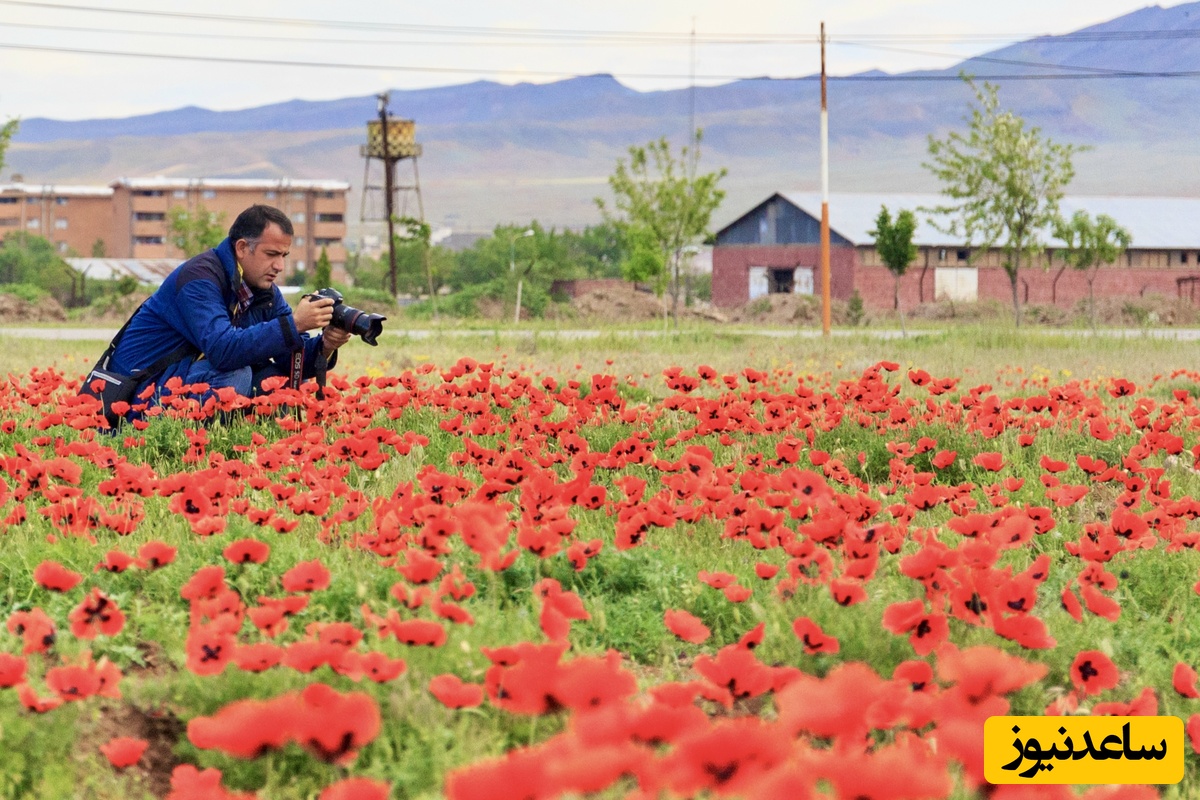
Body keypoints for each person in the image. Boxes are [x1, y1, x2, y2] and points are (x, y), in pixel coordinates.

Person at [109, 204, 351, 406]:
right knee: (235, 373)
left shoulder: (264, 291)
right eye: (271, 254)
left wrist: (325, 344)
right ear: (242, 248)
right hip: (136, 395)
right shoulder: (199, 279)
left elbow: (292, 361)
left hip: (178, 381)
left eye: (283, 256)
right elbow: (223, 351)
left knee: (278, 379)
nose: (280, 266)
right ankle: (201, 445)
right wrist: (295, 324)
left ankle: (246, 440)